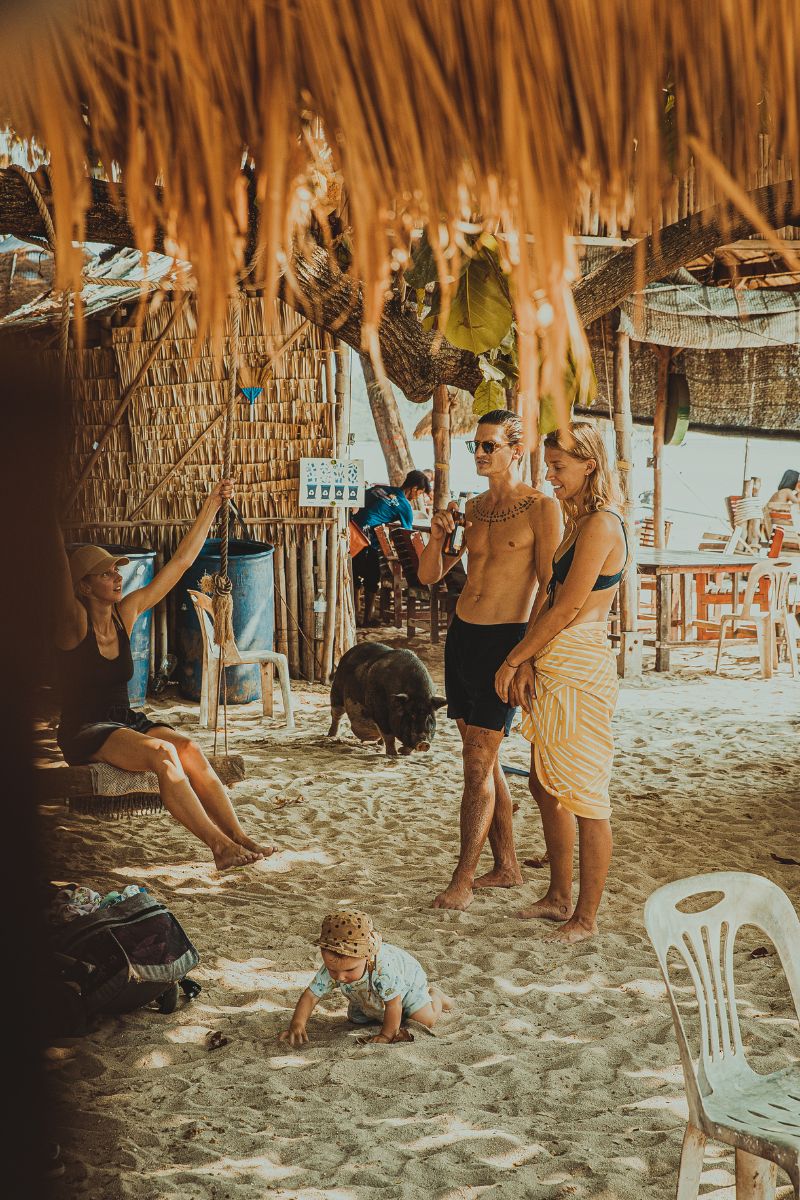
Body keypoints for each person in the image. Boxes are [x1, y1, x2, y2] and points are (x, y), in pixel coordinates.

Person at [54, 480, 273, 871]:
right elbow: (55, 572)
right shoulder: (74, 624)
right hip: (86, 728)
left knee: (187, 748)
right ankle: (219, 847)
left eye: (116, 570)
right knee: (163, 754)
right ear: (83, 586)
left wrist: (212, 504)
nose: (117, 577)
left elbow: (181, 564)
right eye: (105, 573)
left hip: (125, 721)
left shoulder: (125, 613)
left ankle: (239, 837)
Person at [418, 409, 562, 911]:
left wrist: (524, 657)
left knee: (476, 763)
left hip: (506, 639)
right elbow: (430, 576)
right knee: (484, 757)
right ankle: (507, 866)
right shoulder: (474, 508)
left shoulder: (542, 508)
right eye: (475, 446)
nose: (478, 454)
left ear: (515, 451)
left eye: (488, 445)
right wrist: (437, 537)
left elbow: (549, 587)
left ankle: (462, 879)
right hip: (462, 637)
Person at [494, 421, 627, 944]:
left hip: (579, 661)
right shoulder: (579, 521)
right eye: (548, 466)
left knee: (586, 796)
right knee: (544, 783)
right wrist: (527, 659)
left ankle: (585, 918)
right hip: (552, 656)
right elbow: (548, 596)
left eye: (559, 466)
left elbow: (570, 607)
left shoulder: (602, 525)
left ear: (590, 464)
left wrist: (512, 659)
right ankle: (558, 895)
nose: (550, 476)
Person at [279, 910, 452, 1046]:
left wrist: (387, 1035)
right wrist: (297, 1024)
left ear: (367, 957)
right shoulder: (335, 966)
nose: (340, 977)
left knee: (425, 1020)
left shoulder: (383, 969)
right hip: (369, 992)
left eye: (349, 970)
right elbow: (310, 995)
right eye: (332, 970)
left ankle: (436, 996)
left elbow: (394, 1003)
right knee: (357, 1020)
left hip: (406, 986)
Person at [351, 470, 431, 626]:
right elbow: (408, 535)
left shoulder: (380, 489)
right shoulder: (405, 506)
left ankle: (353, 616)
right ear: (414, 489)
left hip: (350, 531)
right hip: (366, 538)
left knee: (354, 575)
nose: (418, 497)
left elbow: (360, 501)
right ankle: (367, 618)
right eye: (420, 493)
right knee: (372, 578)